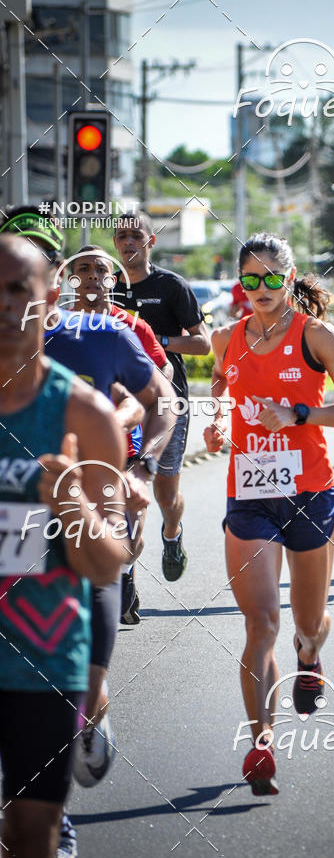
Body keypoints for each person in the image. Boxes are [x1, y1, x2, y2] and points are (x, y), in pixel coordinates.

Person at [204, 232, 334, 796]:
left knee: (305, 624)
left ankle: (310, 653)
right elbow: (221, 391)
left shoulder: (316, 335)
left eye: (272, 277)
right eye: (250, 279)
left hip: (309, 494)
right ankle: (262, 742)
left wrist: (298, 413)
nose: (262, 289)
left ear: (290, 276)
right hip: (249, 494)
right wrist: (220, 423)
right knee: (260, 625)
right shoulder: (227, 337)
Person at [0, 235, 129, 858]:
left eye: (18, 290)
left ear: (50, 302)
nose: (4, 306)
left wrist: (69, 502)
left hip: (42, 659)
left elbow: (107, 562)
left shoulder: (86, 415)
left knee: (30, 835)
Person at [42, 258, 176, 834]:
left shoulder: (112, 332)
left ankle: (90, 716)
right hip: (18, 525)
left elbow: (160, 398)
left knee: (86, 678)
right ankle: (50, 820)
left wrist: (139, 465)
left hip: (97, 503)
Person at [66, 245, 175, 625]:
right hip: (73, 451)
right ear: (72, 278)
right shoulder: (54, 329)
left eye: (101, 270)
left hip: (126, 444)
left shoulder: (131, 327)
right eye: (84, 269)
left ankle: (125, 570)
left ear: (113, 279)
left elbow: (164, 381)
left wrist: (139, 415)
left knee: (129, 529)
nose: (93, 276)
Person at [113, 211, 210, 582]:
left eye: (136, 235)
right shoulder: (110, 288)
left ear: (150, 242)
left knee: (165, 495)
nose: (128, 242)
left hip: (168, 402)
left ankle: (172, 534)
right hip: (121, 402)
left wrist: (157, 341)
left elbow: (203, 343)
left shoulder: (172, 286)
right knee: (122, 488)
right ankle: (126, 575)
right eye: (122, 236)